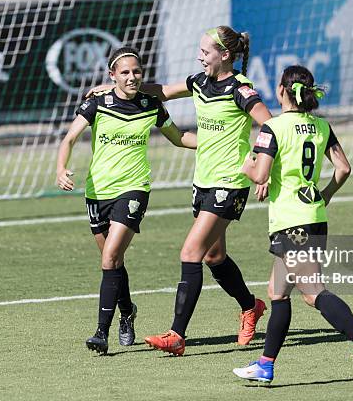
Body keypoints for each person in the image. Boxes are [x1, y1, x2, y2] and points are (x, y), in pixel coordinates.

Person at [87, 26, 272, 355]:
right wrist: (113, 86)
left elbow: (269, 126)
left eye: (205, 51)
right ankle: (250, 306)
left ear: (225, 55)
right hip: (203, 181)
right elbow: (162, 90)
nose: (200, 56)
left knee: (191, 253)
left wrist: (262, 169)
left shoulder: (240, 89)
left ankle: (177, 335)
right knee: (215, 256)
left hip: (229, 183)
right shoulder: (199, 83)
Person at [233, 65, 353, 385]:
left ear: (281, 91)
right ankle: (265, 364)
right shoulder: (320, 126)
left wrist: (244, 161)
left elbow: (260, 175)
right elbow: (343, 168)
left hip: (292, 222)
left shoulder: (272, 128)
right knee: (277, 292)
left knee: (313, 291)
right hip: (313, 216)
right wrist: (325, 195)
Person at [57, 47, 196, 355]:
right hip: (97, 191)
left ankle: (100, 334)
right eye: (125, 72)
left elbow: (178, 137)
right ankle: (127, 312)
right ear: (112, 76)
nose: (132, 77)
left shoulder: (151, 104)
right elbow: (68, 139)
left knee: (109, 258)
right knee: (113, 261)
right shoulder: (98, 103)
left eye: (136, 71)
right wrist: (60, 168)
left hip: (133, 190)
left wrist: (214, 143)